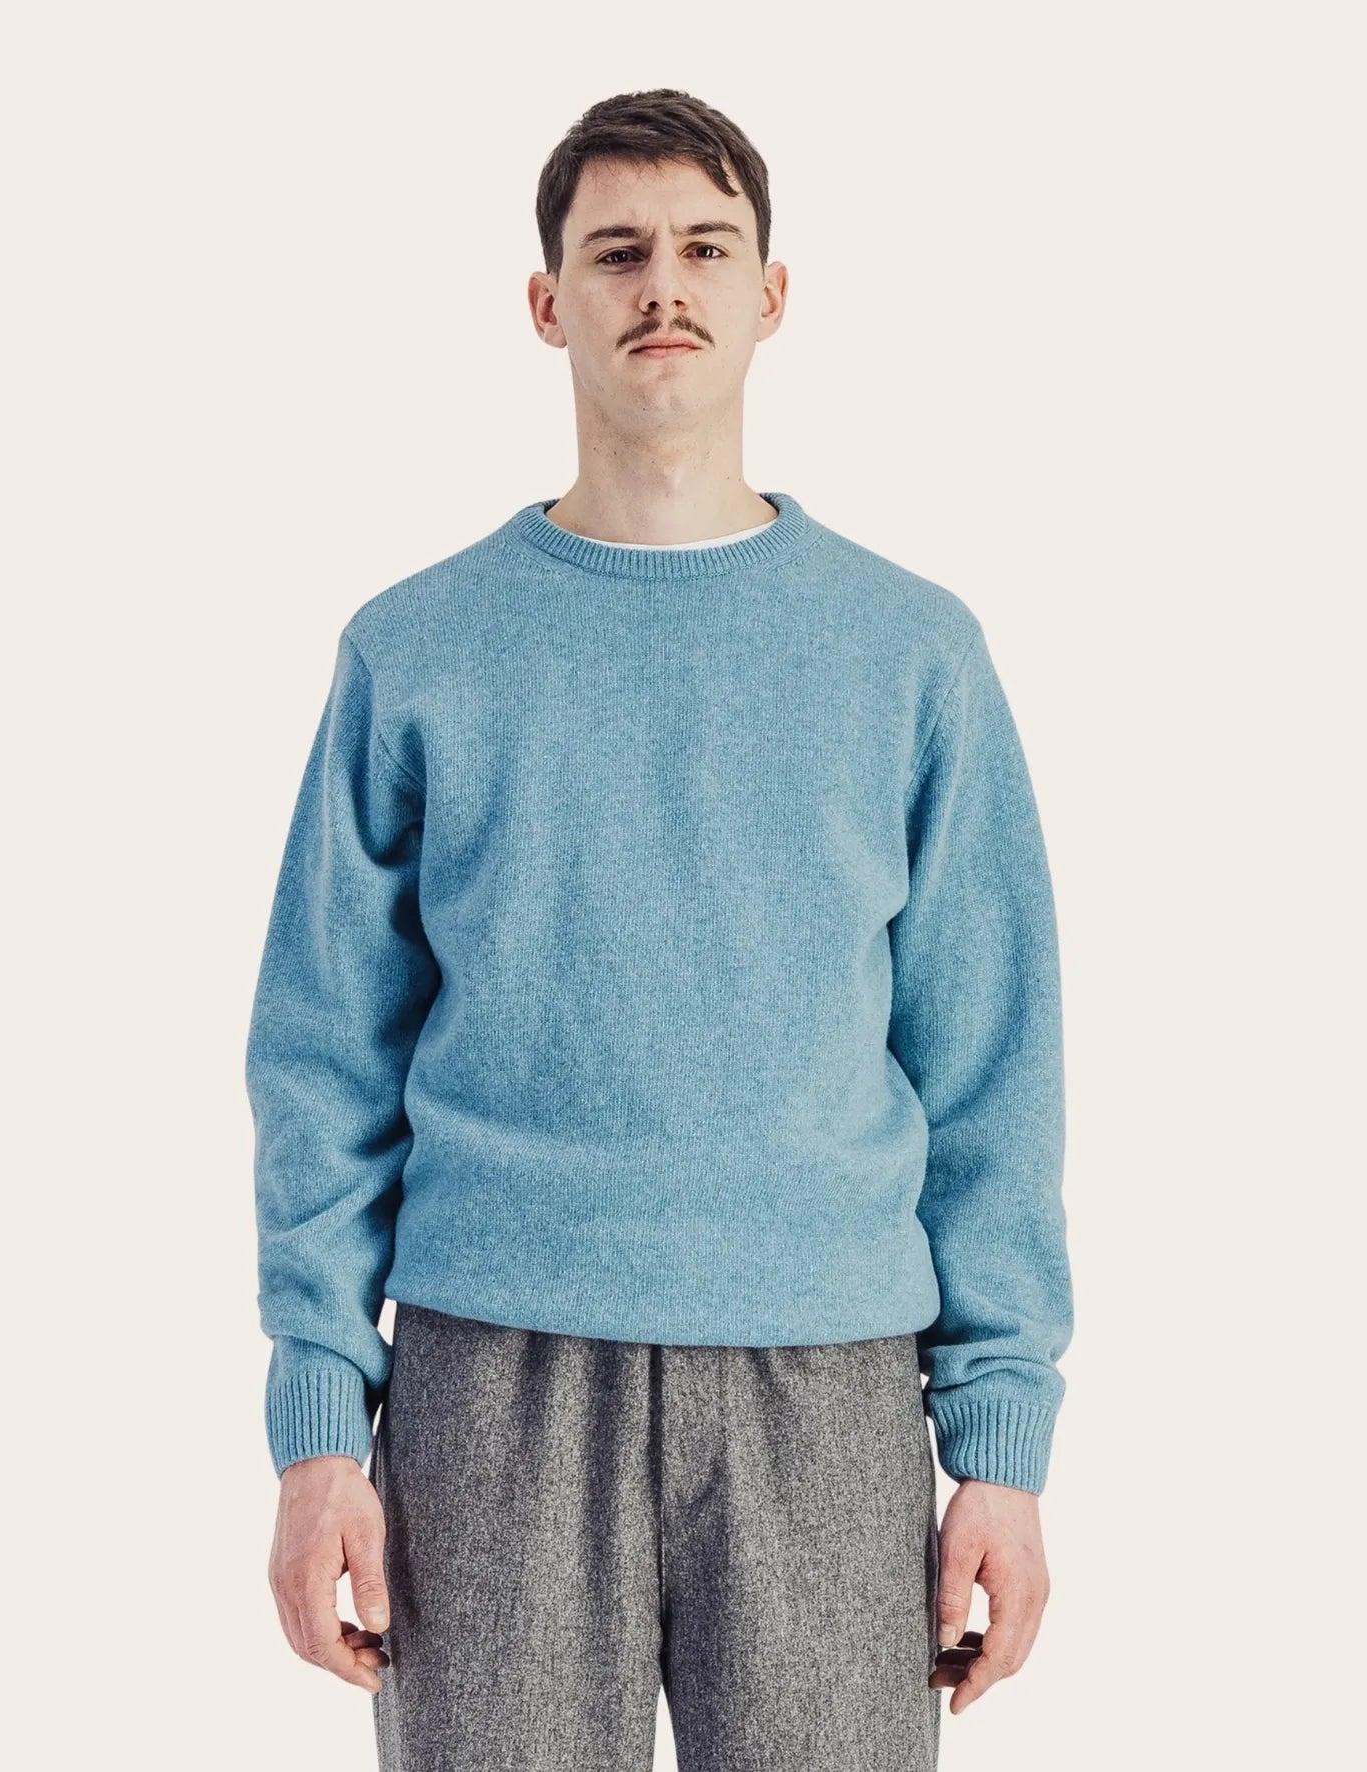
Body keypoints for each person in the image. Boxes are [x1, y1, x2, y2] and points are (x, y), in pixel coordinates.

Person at [247, 88, 1074, 1772]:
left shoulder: (911, 655)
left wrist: (999, 1445)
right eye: (615, 252)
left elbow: (990, 1066)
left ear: (771, 295)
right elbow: (322, 1058)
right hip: (493, 1374)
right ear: (545, 303)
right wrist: (320, 1424)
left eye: (704, 248)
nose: (662, 286)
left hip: (826, 1372)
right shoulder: (417, 650)